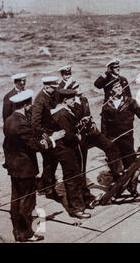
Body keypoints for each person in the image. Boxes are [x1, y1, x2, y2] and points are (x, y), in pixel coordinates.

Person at [3, 89, 65, 242]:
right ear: (25, 106)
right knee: (27, 202)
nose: (31, 108)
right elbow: (36, 146)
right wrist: (53, 139)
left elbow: (6, 145)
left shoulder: (9, 120)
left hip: (14, 167)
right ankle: (26, 234)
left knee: (15, 200)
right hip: (25, 169)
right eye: (29, 106)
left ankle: (18, 232)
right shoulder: (22, 123)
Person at [101, 79, 140, 195]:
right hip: (113, 139)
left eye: (120, 86)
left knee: (131, 163)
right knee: (115, 165)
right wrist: (105, 141)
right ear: (110, 91)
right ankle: (117, 189)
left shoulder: (130, 102)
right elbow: (103, 125)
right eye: (116, 88)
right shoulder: (106, 106)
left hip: (127, 137)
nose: (119, 89)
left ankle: (132, 187)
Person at [50, 89, 92, 219]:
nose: (74, 101)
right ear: (65, 100)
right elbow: (68, 136)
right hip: (65, 150)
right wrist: (77, 137)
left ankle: (81, 202)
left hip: (67, 149)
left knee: (75, 175)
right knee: (72, 178)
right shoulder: (62, 114)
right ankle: (76, 209)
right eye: (72, 99)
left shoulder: (64, 111)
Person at [31, 77, 62, 201]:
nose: (56, 90)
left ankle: (45, 185)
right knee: (49, 162)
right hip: (46, 136)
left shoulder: (50, 95)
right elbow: (35, 123)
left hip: (53, 134)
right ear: (46, 87)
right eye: (54, 88)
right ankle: (49, 190)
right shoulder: (40, 100)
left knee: (52, 162)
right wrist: (47, 137)